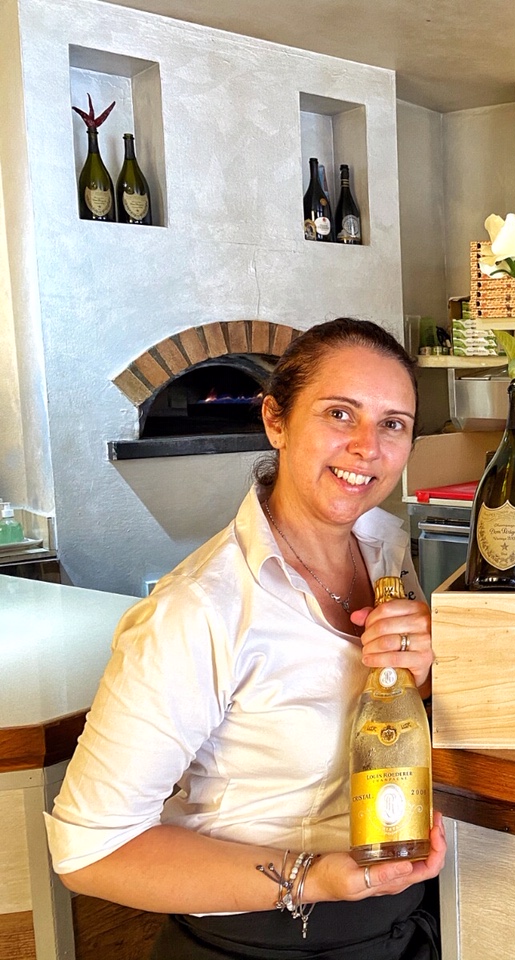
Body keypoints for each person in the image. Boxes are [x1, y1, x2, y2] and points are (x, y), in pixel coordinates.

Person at [45, 318, 446, 959]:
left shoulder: (386, 550)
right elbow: (93, 851)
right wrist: (313, 877)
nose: (367, 447)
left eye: (392, 424)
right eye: (340, 414)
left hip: (402, 927)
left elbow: (391, 721)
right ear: (275, 420)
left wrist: (424, 678)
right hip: (260, 944)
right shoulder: (199, 609)